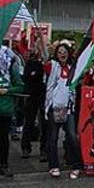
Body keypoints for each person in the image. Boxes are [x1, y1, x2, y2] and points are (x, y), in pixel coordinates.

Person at [44, 41, 82, 179]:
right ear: (56, 54)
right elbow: (44, 56)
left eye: (64, 52)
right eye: (59, 52)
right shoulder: (52, 66)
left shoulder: (73, 68)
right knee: (53, 138)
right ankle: (54, 166)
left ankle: (76, 165)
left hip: (68, 108)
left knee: (72, 136)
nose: (62, 54)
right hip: (54, 107)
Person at [0, 46, 24, 177]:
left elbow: (20, 86)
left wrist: (7, 91)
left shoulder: (11, 66)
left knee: (3, 138)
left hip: (5, 109)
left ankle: (3, 164)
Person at [21, 42, 46, 160]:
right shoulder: (31, 63)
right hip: (32, 95)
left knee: (45, 124)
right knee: (29, 122)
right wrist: (36, 73)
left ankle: (44, 149)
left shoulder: (50, 63)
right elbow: (27, 77)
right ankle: (26, 147)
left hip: (45, 96)